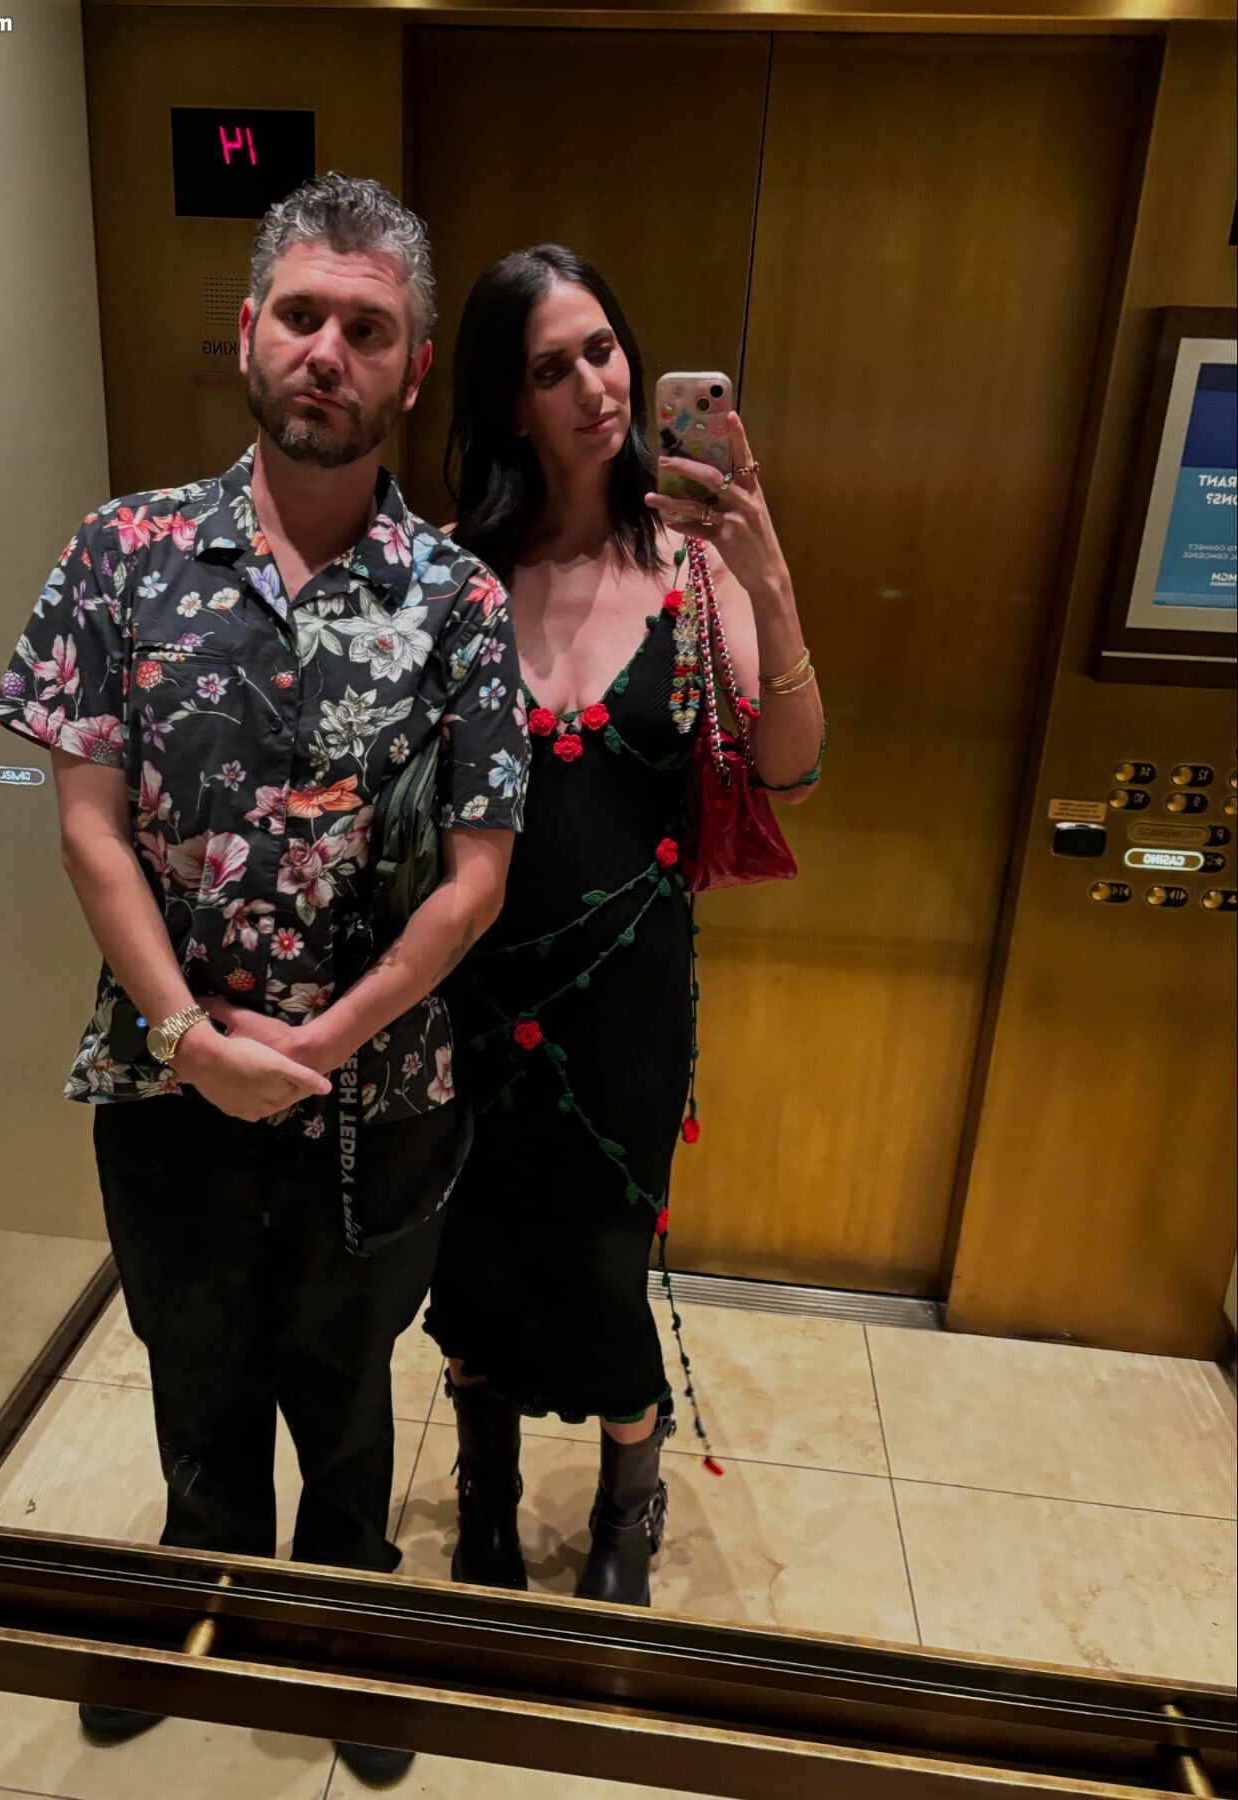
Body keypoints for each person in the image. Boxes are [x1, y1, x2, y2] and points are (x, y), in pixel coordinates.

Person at [0, 174, 529, 1786]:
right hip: (165, 1080)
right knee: (195, 1359)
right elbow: (88, 830)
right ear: (247, 332)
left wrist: (315, 1045)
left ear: (411, 370)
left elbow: (478, 878)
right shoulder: (122, 555)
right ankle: (200, 1599)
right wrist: (188, 1038)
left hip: (381, 1096)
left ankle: (345, 1625)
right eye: (301, 315)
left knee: (346, 1385)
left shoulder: (460, 603)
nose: (326, 352)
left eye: (367, 328)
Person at [424, 245, 824, 1607]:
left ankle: (625, 1501)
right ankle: (483, 1485)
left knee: (606, 1260)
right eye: (553, 367)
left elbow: (790, 773)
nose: (595, 385)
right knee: (475, 1248)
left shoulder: (697, 566)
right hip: (471, 983)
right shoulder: (460, 573)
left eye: (603, 349)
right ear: (510, 398)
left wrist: (770, 579)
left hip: (629, 1002)